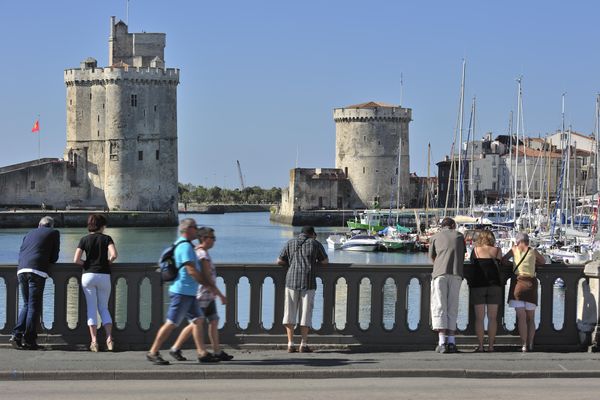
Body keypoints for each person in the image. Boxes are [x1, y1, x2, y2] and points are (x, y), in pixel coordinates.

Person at [146, 218, 216, 365]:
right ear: (189, 229)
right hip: (182, 292)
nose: (197, 230)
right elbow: (190, 269)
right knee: (171, 323)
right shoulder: (184, 247)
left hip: (189, 292)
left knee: (198, 320)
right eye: (195, 227)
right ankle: (153, 352)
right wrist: (207, 284)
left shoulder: (186, 245)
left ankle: (202, 353)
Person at [169, 227, 233, 362]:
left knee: (213, 321)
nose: (214, 241)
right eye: (212, 238)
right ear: (204, 239)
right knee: (196, 323)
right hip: (202, 295)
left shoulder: (202, 252)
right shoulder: (202, 255)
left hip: (208, 295)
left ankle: (217, 351)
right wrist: (220, 294)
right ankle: (176, 348)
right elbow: (207, 277)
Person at [10, 216, 60, 350]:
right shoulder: (54, 233)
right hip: (37, 271)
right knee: (33, 306)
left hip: (21, 270)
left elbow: (22, 251)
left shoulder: (29, 233)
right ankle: (30, 340)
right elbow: (54, 257)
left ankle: (16, 335)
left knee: (27, 304)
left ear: (39, 225)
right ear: (51, 225)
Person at [277, 226, 328, 353]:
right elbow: (325, 261)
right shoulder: (315, 243)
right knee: (306, 313)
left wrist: (291, 263)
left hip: (291, 281)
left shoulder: (290, 242)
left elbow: (279, 261)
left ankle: (290, 344)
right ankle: (303, 344)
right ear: (312, 234)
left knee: (289, 313)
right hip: (308, 281)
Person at [74, 214, 118, 352]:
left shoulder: (84, 239)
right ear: (102, 226)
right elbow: (114, 255)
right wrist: (106, 263)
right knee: (104, 308)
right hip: (104, 275)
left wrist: (87, 264)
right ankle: (109, 339)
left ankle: (94, 342)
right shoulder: (107, 238)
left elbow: (76, 260)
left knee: (91, 309)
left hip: (88, 276)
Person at [502, 232, 545, 352]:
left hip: (518, 284)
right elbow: (543, 261)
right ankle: (531, 343)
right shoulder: (533, 251)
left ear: (518, 241)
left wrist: (513, 264)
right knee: (531, 318)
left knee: (521, 318)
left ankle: (524, 345)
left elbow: (504, 260)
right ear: (527, 241)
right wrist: (532, 264)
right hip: (530, 285)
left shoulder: (514, 249)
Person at [429, 217, 465, 354]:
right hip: (456, 274)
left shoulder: (435, 237)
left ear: (442, 226)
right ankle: (452, 342)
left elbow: (432, 257)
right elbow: (462, 254)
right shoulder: (459, 236)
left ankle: (442, 342)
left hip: (439, 274)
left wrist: (440, 264)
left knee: (439, 306)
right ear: (453, 226)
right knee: (452, 307)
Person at [467, 230, 503, 352]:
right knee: (493, 318)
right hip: (494, 286)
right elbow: (500, 263)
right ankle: (491, 347)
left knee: (479, 318)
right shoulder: (497, 250)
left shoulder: (475, 250)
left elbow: (472, 263)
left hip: (478, 286)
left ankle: (481, 346)